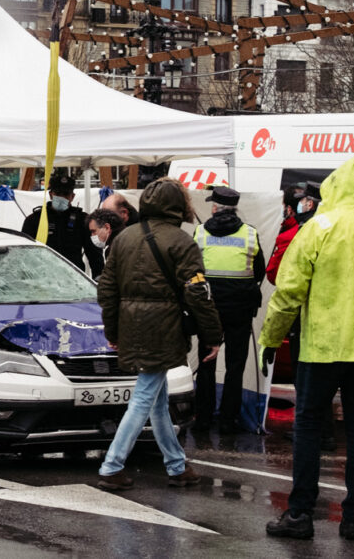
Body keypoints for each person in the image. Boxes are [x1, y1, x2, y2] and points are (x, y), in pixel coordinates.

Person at [260, 157, 354, 541]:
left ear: (331, 190)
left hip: (321, 348)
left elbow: (289, 292)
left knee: (309, 427)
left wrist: (270, 338)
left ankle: (299, 514)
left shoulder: (315, 230)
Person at [96, 177, 222, 492]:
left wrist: (113, 329)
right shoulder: (182, 242)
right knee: (144, 396)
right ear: (179, 206)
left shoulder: (123, 239)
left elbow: (107, 290)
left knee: (156, 397)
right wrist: (213, 335)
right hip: (164, 328)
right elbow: (198, 294)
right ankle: (112, 465)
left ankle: (176, 465)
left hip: (131, 325)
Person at [267, 183, 336, 450]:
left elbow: (278, 277)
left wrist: (271, 338)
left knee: (305, 377)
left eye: (304, 200)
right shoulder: (335, 233)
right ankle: (326, 434)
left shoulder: (299, 234)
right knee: (325, 379)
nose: (301, 205)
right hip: (329, 317)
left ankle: (312, 434)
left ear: (312, 203)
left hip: (303, 316)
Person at [192, 186, 265, 434]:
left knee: (206, 362)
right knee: (235, 365)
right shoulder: (250, 234)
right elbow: (259, 272)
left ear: (215, 208)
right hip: (240, 310)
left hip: (208, 309)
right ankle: (228, 420)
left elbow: (192, 270)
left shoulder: (200, 233)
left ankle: (202, 418)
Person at [22, 174, 102, 275]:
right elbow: (25, 254)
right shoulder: (35, 219)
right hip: (43, 277)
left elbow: (94, 254)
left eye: (65, 194)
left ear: (72, 197)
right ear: (51, 195)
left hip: (74, 277)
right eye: (58, 193)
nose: (61, 197)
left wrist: (98, 279)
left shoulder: (82, 219)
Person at [87, 208, 124, 280]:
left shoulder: (115, 249)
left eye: (93, 231)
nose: (92, 236)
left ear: (107, 228)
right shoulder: (123, 239)